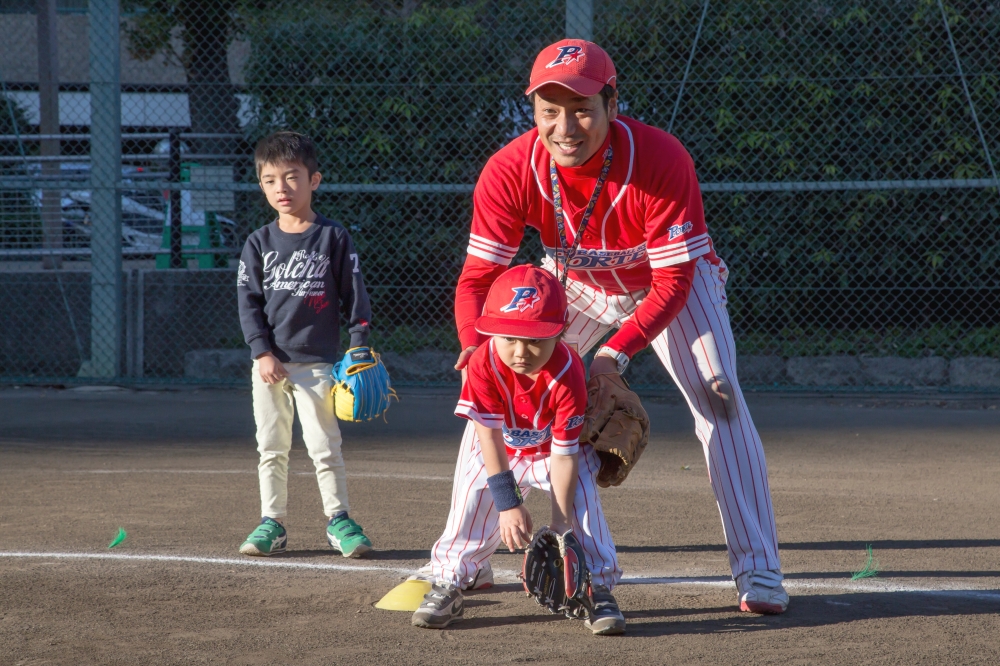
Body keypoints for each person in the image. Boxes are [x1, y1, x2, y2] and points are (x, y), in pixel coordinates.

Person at [450, 40, 788, 614]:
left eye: (581, 107)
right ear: (533, 112)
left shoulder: (659, 159)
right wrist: (479, 352)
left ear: (612, 102)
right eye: (549, 110)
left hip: (671, 284)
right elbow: (479, 277)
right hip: (576, 282)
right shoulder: (511, 169)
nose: (565, 126)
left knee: (720, 402)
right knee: (494, 397)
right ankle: (460, 563)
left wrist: (614, 355)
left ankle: (759, 570)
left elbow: (673, 284)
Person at [412, 265, 625, 635]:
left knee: (583, 506)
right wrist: (508, 502)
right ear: (492, 330)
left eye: (535, 340)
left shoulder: (568, 372)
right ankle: (452, 579)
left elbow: (564, 454)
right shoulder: (484, 361)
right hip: (499, 449)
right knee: (471, 500)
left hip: (552, 455)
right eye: (509, 337)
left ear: (559, 334)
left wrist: (560, 525)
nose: (520, 351)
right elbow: (489, 438)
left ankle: (597, 586)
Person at [236, 131, 374, 559]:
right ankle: (271, 523)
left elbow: (355, 296)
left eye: (292, 177)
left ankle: (339, 521)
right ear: (261, 184)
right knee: (271, 447)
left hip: (317, 364)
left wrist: (359, 346)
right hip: (270, 365)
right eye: (271, 179)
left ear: (314, 180)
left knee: (324, 447)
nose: (282, 188)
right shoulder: (259, 242)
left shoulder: (333, 238)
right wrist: (261, 352)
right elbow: (248, 302)